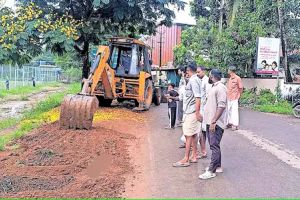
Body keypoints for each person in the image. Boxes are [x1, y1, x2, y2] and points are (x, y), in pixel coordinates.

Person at [199, 69, 227, 180]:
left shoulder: (220, 88)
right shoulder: (214, 87)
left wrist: (214, 121)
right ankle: (218, 166)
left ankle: (211, 171)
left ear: (212, 77)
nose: (208, 78)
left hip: (215, 123)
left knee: (214, 146)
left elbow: (222, 106)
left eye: (209, 76)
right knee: (214, 145)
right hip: (210, 122)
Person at [173, 62, 202, 167]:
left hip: (191, 112)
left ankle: (186, 158)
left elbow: (198, 97)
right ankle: (194, 155)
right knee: (193, 134)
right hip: (193, 112)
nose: (186, 74)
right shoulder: (198, 79)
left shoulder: (193, 81)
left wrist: (197, 112)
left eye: (186, 72)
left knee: (188, 135)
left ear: (189, 70)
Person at [196, 66, 212, 159]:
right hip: (202, 108)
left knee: (203, 131)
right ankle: (203, 150)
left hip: (204, 109)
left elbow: (208, 96)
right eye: (197, 72)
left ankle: (204, 151)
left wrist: (204, 108)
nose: (197, 74)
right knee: (201, 131)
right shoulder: (201, 80)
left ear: (204, 71)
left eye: (199, 72)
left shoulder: (206, 81)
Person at [226, 66, 243, 131]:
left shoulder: (237, 78)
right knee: (228, 111)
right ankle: (230, 123)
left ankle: (235, 125)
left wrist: (239, 96)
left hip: (235, 97)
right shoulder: (230, 78)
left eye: (228, 70)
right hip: (229, 97)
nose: (228, 71)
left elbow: (240, 88)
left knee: (234, 111)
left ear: (231, 71)